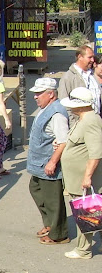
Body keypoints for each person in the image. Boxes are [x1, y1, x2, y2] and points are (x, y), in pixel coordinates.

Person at [59, 87, 102, 259]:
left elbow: (96, 152)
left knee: (85, 213)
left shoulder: (91, 120)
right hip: (76, 177)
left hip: (83, 178)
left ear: (81, 106)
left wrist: (87, 176)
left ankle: (83, 250)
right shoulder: (83, 118)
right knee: (93, 212)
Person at [27, 77, 70, 245]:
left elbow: (63, 140)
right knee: (35, 189)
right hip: (39, 164)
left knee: (53, 200)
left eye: (39, 93)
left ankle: (58, 234)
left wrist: (52, 162)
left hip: (48, 165)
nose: (35, 97)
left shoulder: (57, 114)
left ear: (50, 94)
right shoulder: (46, 108)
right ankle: (50, 224)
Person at [58, 45, 101, 126]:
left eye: (93, 57)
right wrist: (73, 125)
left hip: (96, 122)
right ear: (80, 57)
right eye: (90, 57)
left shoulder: (92, 75)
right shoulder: (68, 77)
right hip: (80, 125)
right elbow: (63, 104)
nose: (92, 60)